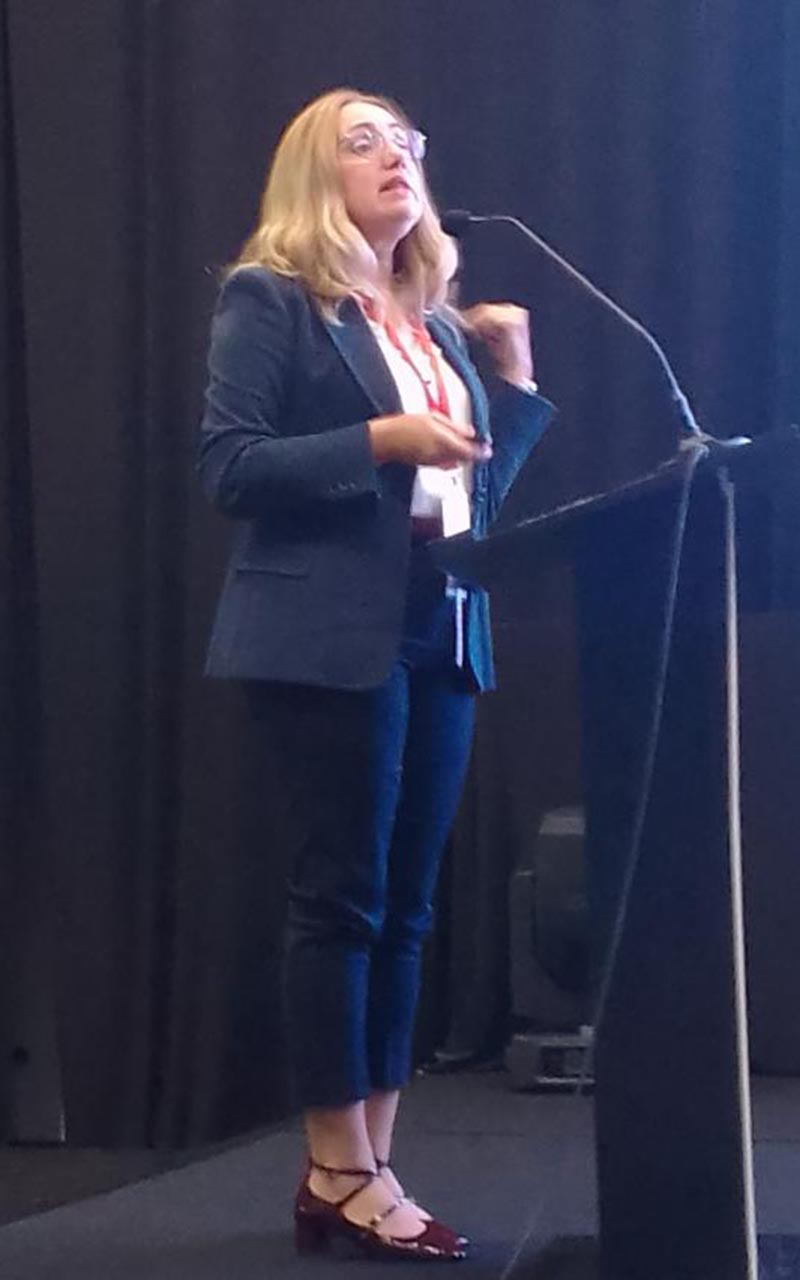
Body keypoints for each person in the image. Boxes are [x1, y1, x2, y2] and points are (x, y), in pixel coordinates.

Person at [198, 87, 555, 1262]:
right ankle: (338, 1164)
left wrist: (509, 382)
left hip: (438, 623)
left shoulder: (433, 327)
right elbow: (231, 466)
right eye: (365, 142)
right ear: (317, 173)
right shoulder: (272, 299)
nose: (396, 154)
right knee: (341, 899)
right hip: (322, 629)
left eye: (407, 141)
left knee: (408, 904)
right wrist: (380, 439)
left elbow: (475, 501)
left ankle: (367, 1163)